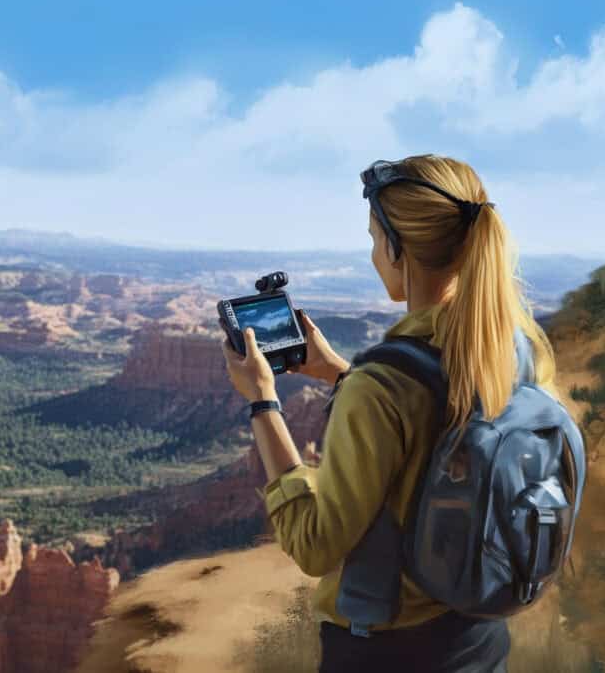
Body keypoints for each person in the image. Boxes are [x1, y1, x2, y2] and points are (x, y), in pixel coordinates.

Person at [222, 154, 557, 672]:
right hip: (479, 640)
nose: (375, 255)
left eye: (375, 240)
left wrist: (263, 401)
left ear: (398, 249)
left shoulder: (383, 389)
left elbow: (314, 546)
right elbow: (437, 426)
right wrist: (337, 370)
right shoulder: (516, 350)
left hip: (385, 653)